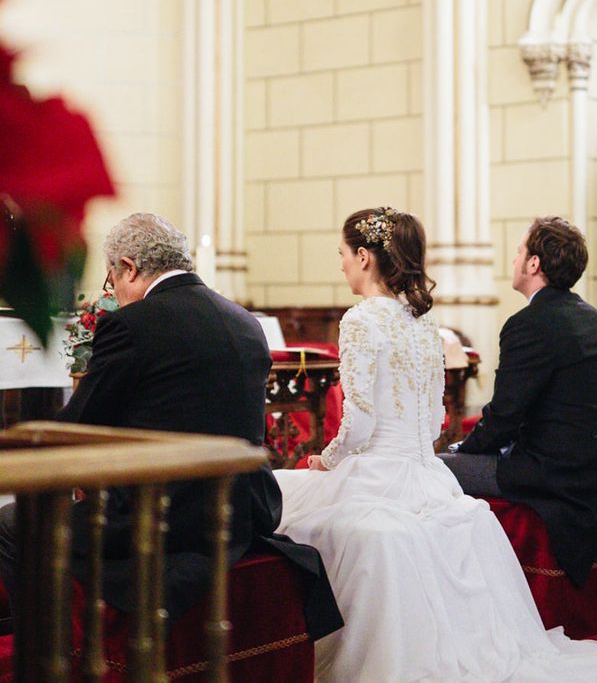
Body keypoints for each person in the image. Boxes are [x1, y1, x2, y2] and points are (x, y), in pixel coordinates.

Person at [274, 207, 597, 683]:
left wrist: (328, 459)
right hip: (424, 471)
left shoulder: (362, 320)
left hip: (389, 472)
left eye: (342, 254)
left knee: (285, 501)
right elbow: (435, 419)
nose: (340, 264)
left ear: (363, 257)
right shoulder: (424, 323)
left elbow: (359, 424)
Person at [0, 212, 342, 640]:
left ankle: (44, 644)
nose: (115, 294)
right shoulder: (246, 322)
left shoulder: (132, 324)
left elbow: (81, 424)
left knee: (11, 523)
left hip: (163, 516)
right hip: (241, 511)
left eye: (112, 281)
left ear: (128, 267)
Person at [439, 216, 597, 588]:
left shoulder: (528, 323)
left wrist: (463, 450)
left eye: (519, 252)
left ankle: (461, 587)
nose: (513, 260)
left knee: (436, 470)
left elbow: (504, 417)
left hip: (556, 472)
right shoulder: (592, 317)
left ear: (534, 264)